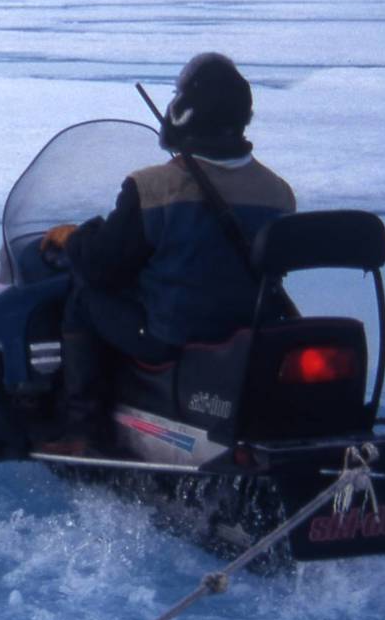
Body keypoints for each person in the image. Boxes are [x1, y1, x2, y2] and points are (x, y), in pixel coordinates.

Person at [37, 53, 295, 454]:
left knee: (84, 300)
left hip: (172, 337)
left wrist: (73, 239)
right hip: (247, 338)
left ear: (183, 113)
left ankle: (83, 430)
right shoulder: (278, 193)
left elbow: (101, 267)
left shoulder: (154, 188)